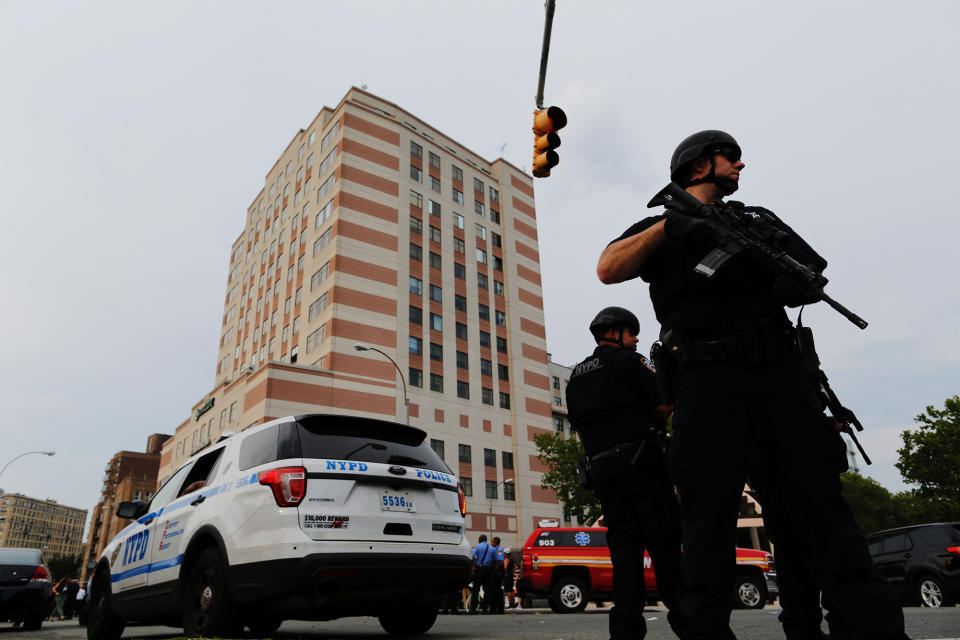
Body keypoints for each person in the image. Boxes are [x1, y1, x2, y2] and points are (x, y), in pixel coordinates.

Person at [596, 130, 907, 640]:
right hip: (704, 382)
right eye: (730, 156)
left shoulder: (758, 220)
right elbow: (608, 268)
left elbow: (810, 272)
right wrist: (671, 228)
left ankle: (870, 628)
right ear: (699, 166)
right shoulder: (658, 224)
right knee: (706, 519)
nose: (741, 164)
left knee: (822, 508)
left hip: (777, 377)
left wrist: (794, 279)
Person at [565, 307, 686, 640]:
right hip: (642, 466)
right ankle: (693, 626)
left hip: (603, 472)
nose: (635, 340)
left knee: (625, 555)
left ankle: (625, 632)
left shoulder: (576, 375)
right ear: (616, 332)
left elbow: (579, 429)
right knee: (665, 547)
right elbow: (662, 406)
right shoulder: (629, 361)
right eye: (632, 333)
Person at [469, 534, 496, 613]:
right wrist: (493, 572)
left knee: (475, 590)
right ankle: (484, 608)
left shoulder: (477, 547)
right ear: (486, 540)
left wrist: (473, 566)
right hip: (488, 570)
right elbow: (495, 561)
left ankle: (473, 609)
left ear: (480, 539)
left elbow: (471, 556)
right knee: (487, 590)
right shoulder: (492, 548)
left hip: (479, 570)